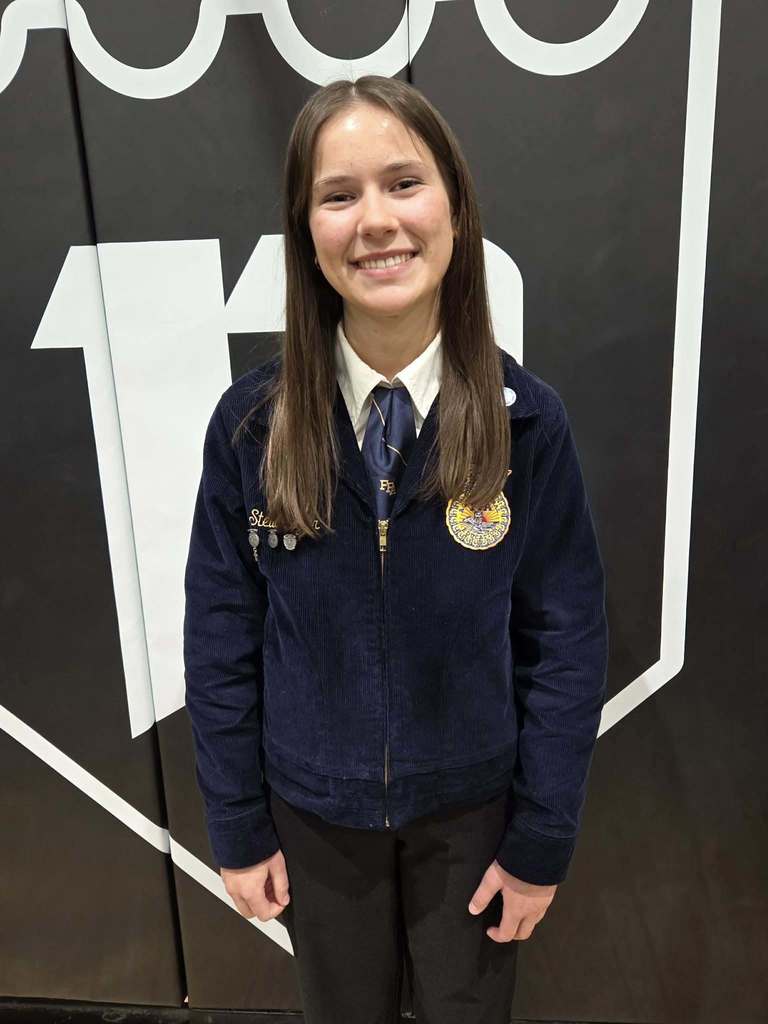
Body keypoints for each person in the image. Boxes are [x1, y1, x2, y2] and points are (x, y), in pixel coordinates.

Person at [183, 75, 609, 1024]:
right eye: (339, 195)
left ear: (455, 208)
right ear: (307, 232)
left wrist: (540, 838)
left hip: (473, 823)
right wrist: (239, 826)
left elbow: (568, 642)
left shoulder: (526, 424)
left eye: (404, 183)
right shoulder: (253, 426)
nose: (375, 220)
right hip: (314, 823)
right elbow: (221, 638)